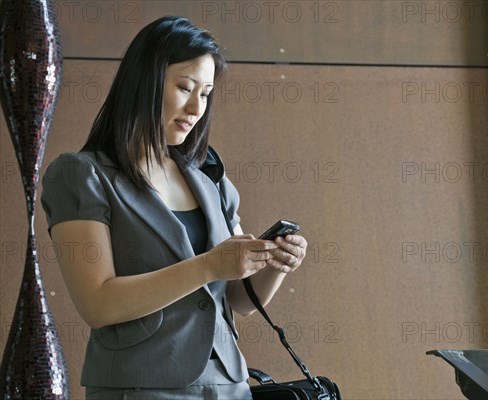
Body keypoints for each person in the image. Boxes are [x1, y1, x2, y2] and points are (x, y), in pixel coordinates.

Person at [41, 16, 307, 399]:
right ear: (145, 83)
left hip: (229, 385)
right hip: (140, 386)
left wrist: (275, 264)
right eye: (185, 87)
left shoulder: (208, 178)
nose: (196, 107)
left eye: (206, 93)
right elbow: (97, 304)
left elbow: (236, 300)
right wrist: (210, 264)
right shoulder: (81, 175)